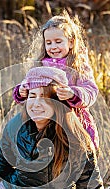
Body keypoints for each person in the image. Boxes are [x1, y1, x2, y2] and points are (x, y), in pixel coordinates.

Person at [13, 10, 100, 149]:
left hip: (73, 120)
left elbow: (91, 91)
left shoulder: (78, 65)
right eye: (49, 43)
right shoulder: (40, 64)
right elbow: (28, 86)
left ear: (71, 42)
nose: (53, 47)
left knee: (77, 156)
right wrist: (22, 91)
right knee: (48, 157)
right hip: (46, 120)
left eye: (58, 41)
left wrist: (73, 94)